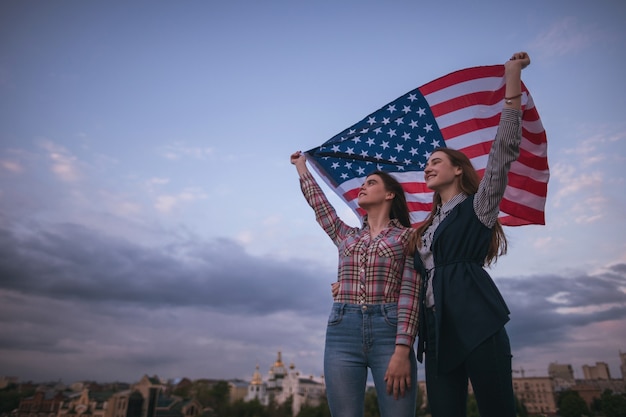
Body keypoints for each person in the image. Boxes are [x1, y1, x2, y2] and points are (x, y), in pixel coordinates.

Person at [408, 51, 532, 417]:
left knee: (497, 410)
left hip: (478, 323)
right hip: (437, 332)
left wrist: (512, 82)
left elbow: (503, 153)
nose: (427, 167)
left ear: (458, 170)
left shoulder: (478, 205)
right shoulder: (424, 229)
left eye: (436, 161)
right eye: (427, 163)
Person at [290, 151, 420, 417]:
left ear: (389, 194)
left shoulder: (408, 237)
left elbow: (410, 293)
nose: (363, 186)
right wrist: (302, 168)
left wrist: (403, 350)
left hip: (389, 331)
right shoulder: (346, 235)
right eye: (364, 183)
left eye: (371, 183)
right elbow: (320, 206)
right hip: (342, 330)